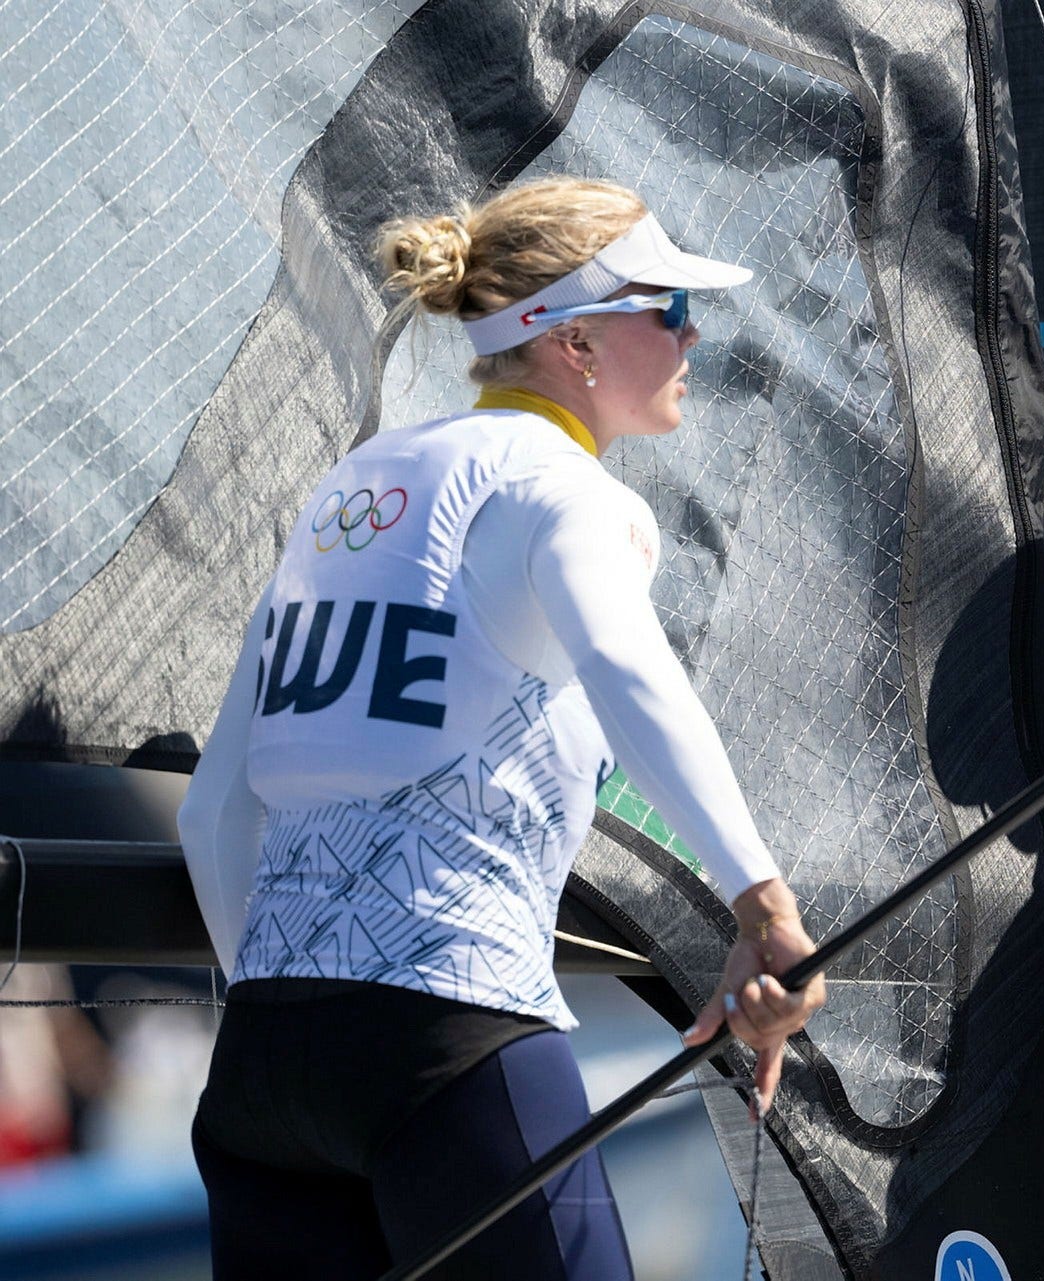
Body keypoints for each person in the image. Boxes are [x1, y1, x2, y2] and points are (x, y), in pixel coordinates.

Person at [178, 177, 825, 1280]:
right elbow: (633, 675)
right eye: (665, 307)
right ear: (574, 341)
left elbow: (211, 811)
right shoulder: (568, 494)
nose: (693, 330)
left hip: (262, 1063)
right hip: (450, 1047)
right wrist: (761, 899)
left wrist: (307, 1008)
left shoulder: (350, 484)